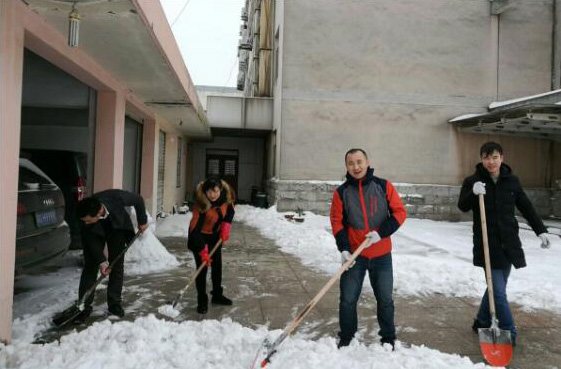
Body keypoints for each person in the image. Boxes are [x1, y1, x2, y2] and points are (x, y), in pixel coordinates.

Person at [458, 141, 551, 346]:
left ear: (502, 158)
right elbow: (462, 206)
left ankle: (481, 320)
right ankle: (509, 331)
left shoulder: (512, 181)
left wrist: (541, 230)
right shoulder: (473, 180)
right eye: (486, 157)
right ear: (481, 159)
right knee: (498, 292)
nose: (490, 161)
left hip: (509, 245)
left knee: (495, 288)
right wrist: (472, 193)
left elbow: (526, 207)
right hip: (487, 245)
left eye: (495, 157)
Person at [330, 148, 407, 349]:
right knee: (347, 299)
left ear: (367, 162)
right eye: (351, 163)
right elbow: (337, 222)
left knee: (385, 299)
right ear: (346, 166)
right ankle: (346, 337)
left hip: (381, 255)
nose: (356, 167)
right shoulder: (341, 193)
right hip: (355, 256)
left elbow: (399, 213)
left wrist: (381, 233)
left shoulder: (383, 186)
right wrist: (344, 249)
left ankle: (388, 338)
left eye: (359, 161)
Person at [73, 189, 148, 324]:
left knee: (117, 264)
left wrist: (142, 221)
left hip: (117, 227)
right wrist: (102, 262)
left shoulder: (115, 197)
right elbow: (92, 244)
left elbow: (138, 200)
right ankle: (83, 307)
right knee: (91, 265)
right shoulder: (86, 220)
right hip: (94, 233)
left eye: (88, 220)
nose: (85, 223)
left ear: (97, 213)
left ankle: (114, 304)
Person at [188, 176, 235, 314]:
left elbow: (230, 211)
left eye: (215, 191)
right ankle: (202, 300)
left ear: (220, 190)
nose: (212, 195)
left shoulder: (226, 198)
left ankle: (217, 295)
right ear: (205, 191)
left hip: (215, 236)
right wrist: (202, 250)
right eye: (209, 191)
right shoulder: (201, 204)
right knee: (202, 269)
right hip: (199, 236)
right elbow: (194, 229)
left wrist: (226, 225)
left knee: (217, 267)